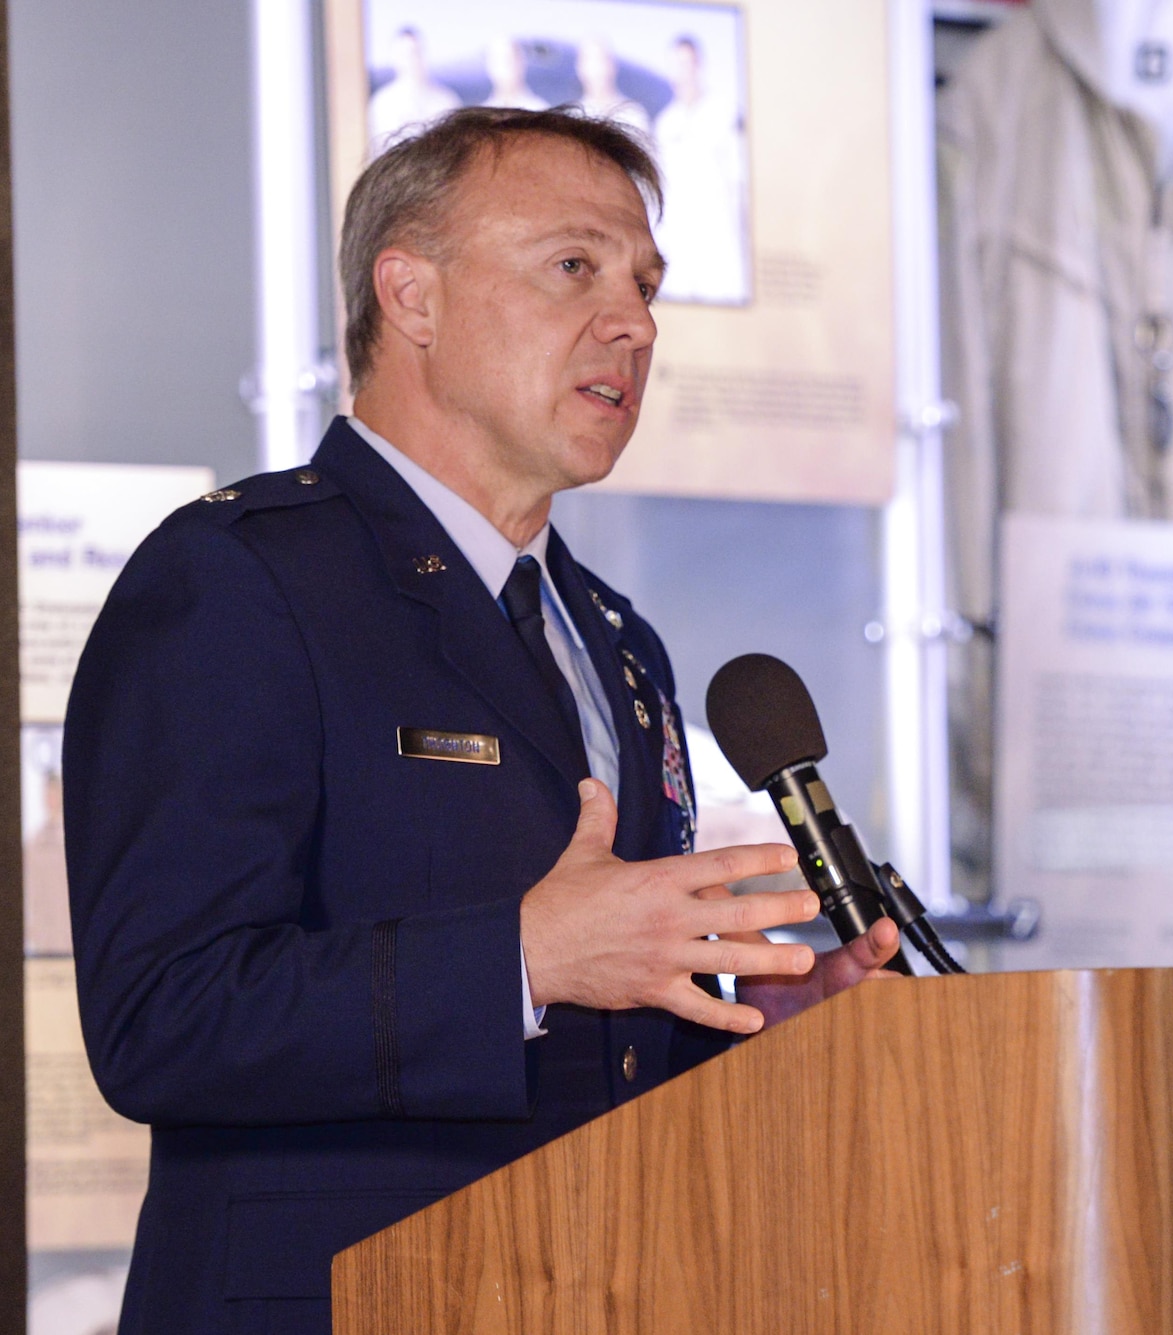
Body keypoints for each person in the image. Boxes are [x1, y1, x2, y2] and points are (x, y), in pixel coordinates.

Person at [63, 107, 899, 1335]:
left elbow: (596, 1058)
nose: (635, 322)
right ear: (410, 295)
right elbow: (161, 1020)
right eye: (575, 267)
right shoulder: (238, 581)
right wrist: (523, 958)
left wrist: (744, 1035)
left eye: (646, 285)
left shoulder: (614, 638)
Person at [652, 35, 750, 303]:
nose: (681, 71)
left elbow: (740, 181)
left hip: (719, 239)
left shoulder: (724, 112)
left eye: (686, 63)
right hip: (680, 244)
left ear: (698, 65)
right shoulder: (665, 122)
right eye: (675, 64)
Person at [366, 26, 461, 154]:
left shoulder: (446, 100)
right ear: (394, 56)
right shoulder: (381, 103)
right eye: (405, 54)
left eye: (416, 52)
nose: (412, 59)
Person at [575, 36, 653, 144]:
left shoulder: (633, 114)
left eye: (601, 59)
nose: (597, 69)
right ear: (579, 68)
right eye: (590, 60)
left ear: (612, 65)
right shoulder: (573, 116)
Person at [481, 36, 548, 111]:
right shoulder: (481, 115)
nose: (503, 69)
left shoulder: (538, 109)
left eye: (508, 60)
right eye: (497, 62)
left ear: (521, 63)